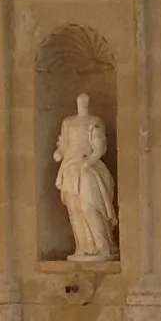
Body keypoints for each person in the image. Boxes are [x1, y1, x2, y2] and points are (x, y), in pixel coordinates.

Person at [53, 93, 118, 261]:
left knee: (90, 206)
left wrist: (90, 161)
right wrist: (59, 153)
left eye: (85, 101)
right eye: (80, 101)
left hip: (87, 166)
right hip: (69, 168)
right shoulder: (68, 123)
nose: (83, 103)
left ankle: (102, 246)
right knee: (74, 209)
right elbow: (64, 143)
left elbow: (99, 146)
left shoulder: (94, 122)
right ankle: (83, 247)